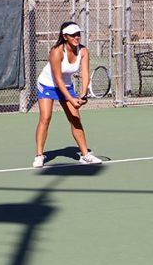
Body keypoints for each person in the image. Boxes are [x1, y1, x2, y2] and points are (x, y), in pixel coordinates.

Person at [33, 22, 102, 168]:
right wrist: (71, 98)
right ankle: (39, 155)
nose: (77, 37)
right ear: (65, 37)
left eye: (78, 34)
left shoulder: (83, 51)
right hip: (48, 84)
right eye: (73, 35)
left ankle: (85, 155)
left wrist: (82, 94)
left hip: (66, 85)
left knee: (75, 118)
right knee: (45, 117)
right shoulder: (56, 51)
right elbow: (57, 79)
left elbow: (85, 73)